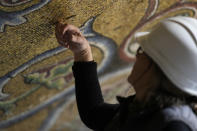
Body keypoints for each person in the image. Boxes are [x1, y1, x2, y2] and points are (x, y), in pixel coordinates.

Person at [55, 16, 197, 131]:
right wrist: (83, 52)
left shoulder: (171, 125)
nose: (137, 56)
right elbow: (94, 114)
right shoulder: (152, 106)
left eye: (141, 51)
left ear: (152, 67)